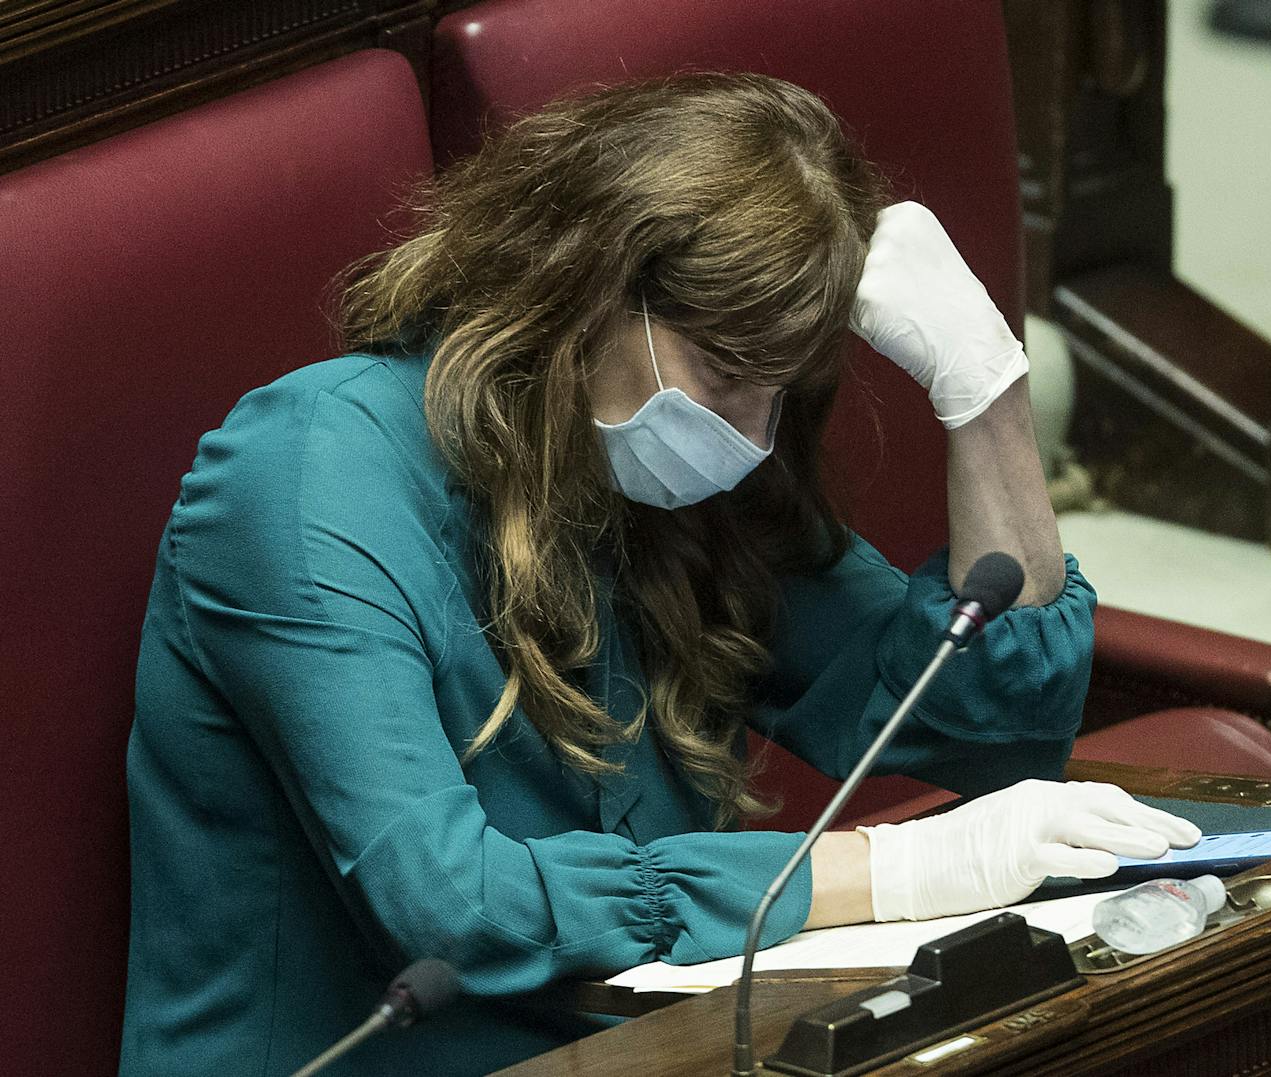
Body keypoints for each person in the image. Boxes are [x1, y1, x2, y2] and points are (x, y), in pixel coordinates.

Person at [119, 71, 1200, 1075]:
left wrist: (984, 391)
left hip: (658, 1045)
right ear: (588, 290)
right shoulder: (307, 474)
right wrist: (897, 872)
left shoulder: (678, 475)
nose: (744, 433)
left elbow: (989, 732)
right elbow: (451, 905)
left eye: (776, 390)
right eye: (726, 377)